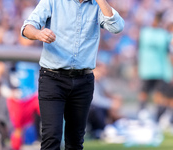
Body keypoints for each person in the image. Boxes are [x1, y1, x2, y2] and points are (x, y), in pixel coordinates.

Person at [21, 0, 124, 149]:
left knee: (75, 141)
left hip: (83, 80)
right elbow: (26, 28)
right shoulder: (53, 1)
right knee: (51, 137)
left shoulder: (97, 6)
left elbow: (117, 27)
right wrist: (38, 33)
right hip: (52, 78)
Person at [138, 12, 173, 121]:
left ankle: (155, 116)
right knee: (148, 92)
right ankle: (144, 112)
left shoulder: (149, 33)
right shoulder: (159, 34)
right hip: (150, 69)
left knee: (157, 94)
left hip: (157, 70)